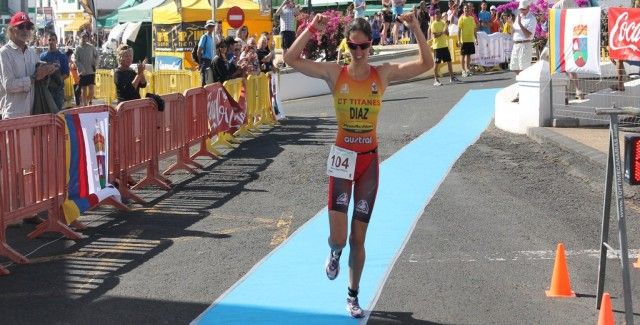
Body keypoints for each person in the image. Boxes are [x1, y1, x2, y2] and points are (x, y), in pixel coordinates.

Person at [283, 14, 433, 319]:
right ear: (347, 45)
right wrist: (311, 29)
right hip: (342, 160)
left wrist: (416, 28)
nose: (358, 51)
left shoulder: (384, 74)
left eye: (363, 46)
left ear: (371, 45)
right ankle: (334, 252)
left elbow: (426, 64)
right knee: (339, 238)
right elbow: (290, 58)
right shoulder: (333, 73)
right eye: (352, 46)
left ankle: (352, 296)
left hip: (368, 162)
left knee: (358, 238)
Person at [0, 12, 57, 119]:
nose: (25, 30)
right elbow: (9, 85)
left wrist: (48, 70)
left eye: (28, 26)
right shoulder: (4, 53)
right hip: (13, 115)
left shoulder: (31, 52)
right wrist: (34, 77)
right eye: (21, 26)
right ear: (12, 30)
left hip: (34, 112)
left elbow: (39, 75)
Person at [509, 0, 537, 101]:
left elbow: (528, 35)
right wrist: (511, 24)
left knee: (523, 69)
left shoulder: (532, 19)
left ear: (528, 8)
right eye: (520, 9)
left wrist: (520, 24)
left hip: (525, 45)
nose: (521, 11)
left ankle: (522, 91)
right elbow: (513, 32)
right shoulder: (518, 17)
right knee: (514, 67)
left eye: (523, 9)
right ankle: (523, 87)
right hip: (516, 45)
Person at [40, 33, 69, 111]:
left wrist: (58, 79)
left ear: (56, 41)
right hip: (46, 89)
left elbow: (66, 73)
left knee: (57, 113)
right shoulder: (42, 56)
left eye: (53, 40)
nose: (51, 42)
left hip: (58, 90)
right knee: (46, 112)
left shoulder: (62, 56)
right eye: (49, 40)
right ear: (47, 41)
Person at [431, 9, 460, 85]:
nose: (437, 15)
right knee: (437, 63)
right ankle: (436, 80)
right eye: (436, 14)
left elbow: (447, 34)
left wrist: (446, 30)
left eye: (438, 13)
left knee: (449, 61)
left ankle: (452, 77)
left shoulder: (443, 23)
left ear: (440, 15)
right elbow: (434, 36)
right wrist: (442, 32)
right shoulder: (433, 24)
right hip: (437, 47)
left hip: (444, 46)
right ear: (434, 15)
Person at [73, 31, 99, 106]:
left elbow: (97, 56)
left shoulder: (91, 47)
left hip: (91, 71)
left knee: (91, 89)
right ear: (80, 38)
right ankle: (85, 104)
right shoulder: (78, 48)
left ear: (87, 38)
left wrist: (95, 63)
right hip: (82, 72)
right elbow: (75, 59)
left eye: (85, 37)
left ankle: (89, 100)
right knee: (83, 89)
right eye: (82, 37)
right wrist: (80, 67)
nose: (84, 39)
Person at [457, 2, 477, 77]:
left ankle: (467, 69)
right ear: (463, 9)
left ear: (470, 9)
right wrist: (459, 40)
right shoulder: (461, 18)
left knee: (468, 56)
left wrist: (476, 39)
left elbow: (474, 29)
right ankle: (463, 70)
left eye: (468, 8)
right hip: (463, 41)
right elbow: (458, 30)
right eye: (465, 8)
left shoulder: (472, 18)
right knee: (463, 55)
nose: (467, 10)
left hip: (470, 40)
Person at [198, 20, 216, 86]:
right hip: (204, 60)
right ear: (207, 27)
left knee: (208, 80)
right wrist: (200, 62)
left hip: (209, 60)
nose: (211, 28)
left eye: (212, 26)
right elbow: (199, 50)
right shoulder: (204, 37)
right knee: (204, 80)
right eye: (210, 26)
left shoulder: (211, 38)